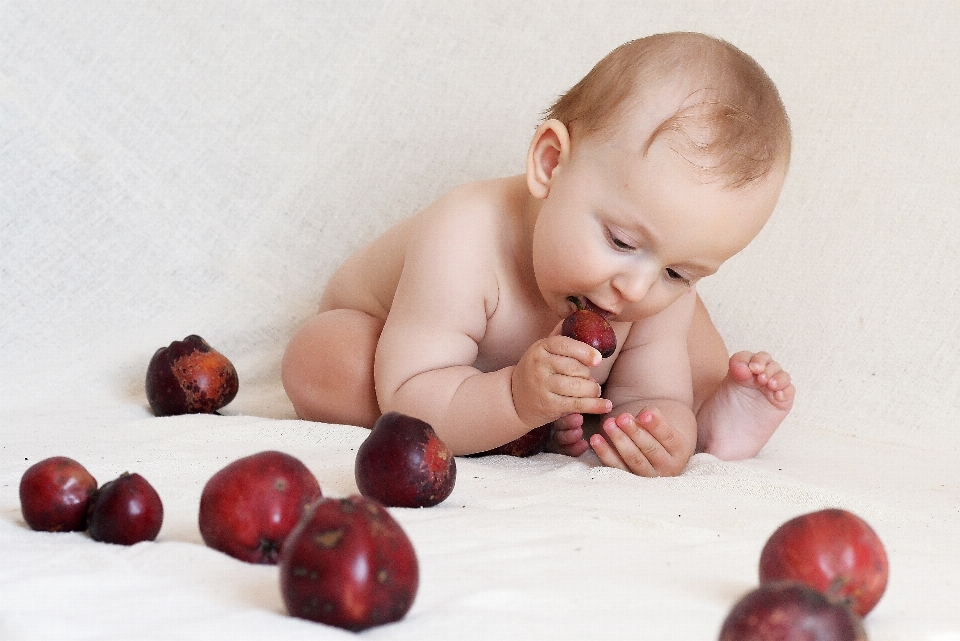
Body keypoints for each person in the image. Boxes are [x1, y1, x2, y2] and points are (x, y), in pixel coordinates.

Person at [281, 32, 796, 477]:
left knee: (688, 332)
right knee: (327, 359)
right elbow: (408, 396)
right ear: (550, 165)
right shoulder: (464, 234)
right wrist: (513, 399)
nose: (636, 287)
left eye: (679, 272)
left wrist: (660, 432)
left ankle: (716, 422)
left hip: (537, 382)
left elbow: (652, 394)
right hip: (402, 355)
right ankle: (512, 422)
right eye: (620, 241)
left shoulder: (643, 282)